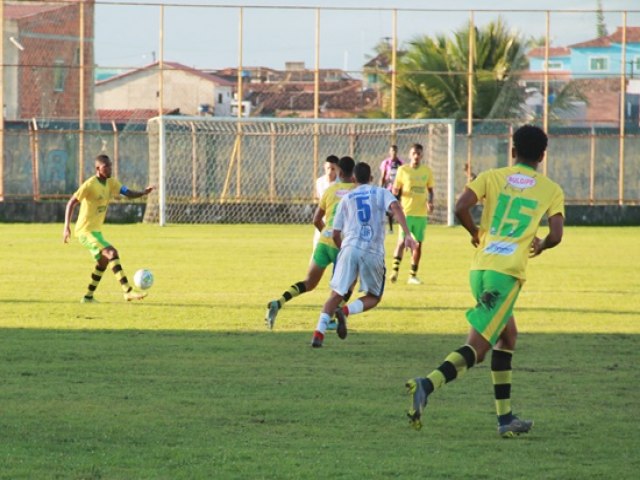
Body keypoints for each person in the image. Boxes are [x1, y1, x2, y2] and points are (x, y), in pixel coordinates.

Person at [405, 125, 565, 438]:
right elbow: (557, 235)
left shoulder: (492, 176)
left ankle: (506, 420)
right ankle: (427, 384)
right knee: (477, 350)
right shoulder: (550, 188)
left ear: (513, 151)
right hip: (505, 275)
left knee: (508, 338)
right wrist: (542, 244)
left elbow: (461, 206)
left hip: (480, 269)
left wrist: (476, 233)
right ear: (543, 156)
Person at [311, 162, 417, 348]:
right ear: (371, 178)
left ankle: (318, 333)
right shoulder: (380, 192)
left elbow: (335, 234)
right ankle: (345, 311)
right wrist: (407, 234)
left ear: (353, 179)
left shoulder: (347, 198)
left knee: (336, 294)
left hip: (349, 247)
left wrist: (344, 250)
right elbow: (396, 208)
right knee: (374, 296)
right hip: (373, 251)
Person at [265, 156, 357, 329]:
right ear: (353, 173)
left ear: (340, 172)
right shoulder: (357, 191)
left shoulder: (330, 190)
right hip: (342, 244)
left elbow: (316, 219)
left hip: (324, 242)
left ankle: (279, 301)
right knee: (348, 283)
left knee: (309, 282)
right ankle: (330, 318)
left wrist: (326, 234)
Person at [63, 154, 154, 303]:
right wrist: (66, 227)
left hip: (96, 232)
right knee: (112, 252)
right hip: (85, 231)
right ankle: (128, 291)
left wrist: (143, 193)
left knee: (103, 262)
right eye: (106, 167)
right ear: (98, 168)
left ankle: (88, 297)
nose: (110, 168)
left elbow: (128, 193)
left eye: (110, 165)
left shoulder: (111, 182)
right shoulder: (89, 184)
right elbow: (71, 203)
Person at [389, 143, 434, 285]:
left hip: (420, 214)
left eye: (419, 154)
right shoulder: (403, 170)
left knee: (418, 245)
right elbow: (395, 190)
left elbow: (430, 190)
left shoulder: (427, 171)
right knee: (402, 242)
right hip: (406, 213)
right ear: (410, 155)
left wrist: (430, 202)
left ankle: (412, 276)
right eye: (414, 153)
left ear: (422, 156)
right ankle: (394, 272)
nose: (416, 156)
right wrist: (394, 201)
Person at [313, 155, 339, 249]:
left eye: (333, 169)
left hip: (337, 221)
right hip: (323, 220)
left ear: (337, 169)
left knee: (337, 252)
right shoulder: (319, 181)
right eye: (328, 168)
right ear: (324, 166)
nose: (330, 172)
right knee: (317, 248)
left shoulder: (341, 183)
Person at [379, 145, 404, 233]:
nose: (394, 152)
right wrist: (381, 188)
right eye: (392, 151)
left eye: (395, 151)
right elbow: (383, 176)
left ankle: (403, 225)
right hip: (388, 188)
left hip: (398, 189)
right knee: (388, 207)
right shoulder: (386, 163)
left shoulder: (400, 163)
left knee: (398, 207)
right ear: (390, 152)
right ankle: (390, 228)